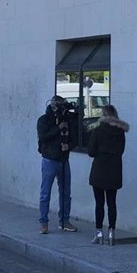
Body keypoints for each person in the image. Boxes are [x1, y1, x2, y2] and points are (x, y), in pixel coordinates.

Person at [88, 104, 129, 246]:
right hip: (114, 170)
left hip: (99, 169)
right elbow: (121, 150)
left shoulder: (98, 130)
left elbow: (91, 152)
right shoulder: (120, 131)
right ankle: (112, 233)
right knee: (112, 203)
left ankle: (99, 233)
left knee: (99, 204)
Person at [36, 95, 77, 234]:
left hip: (64, 159)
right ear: (52, 105)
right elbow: (43, 137)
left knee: (65, 193)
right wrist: (58, 128)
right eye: (58, 105)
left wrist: (68, 146)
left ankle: (64, 220)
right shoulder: (44, 120)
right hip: (49, 159)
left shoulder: (67, 119)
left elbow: (74, 137)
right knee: (45, 193)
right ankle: (43, 222)